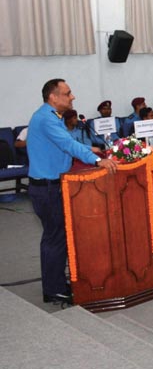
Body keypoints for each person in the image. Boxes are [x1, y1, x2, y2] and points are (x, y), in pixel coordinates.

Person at [28, 79, 118, 305]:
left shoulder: (52, 117)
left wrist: (92, 149)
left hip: (53, 185)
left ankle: (56, 284)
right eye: (67, 93)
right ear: (53, 97)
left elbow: (67, 142)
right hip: (47, 188)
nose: (72, 97)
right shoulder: (46, 119)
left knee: (57, 236)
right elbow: (68, 145)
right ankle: (54, 289)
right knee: (56, 238)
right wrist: (97, 160)